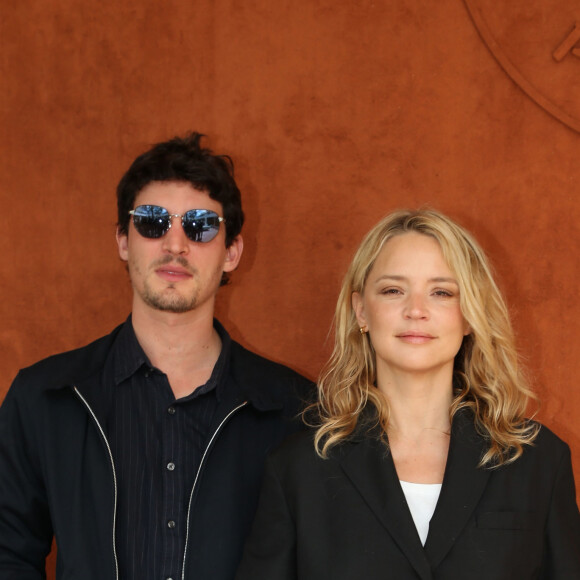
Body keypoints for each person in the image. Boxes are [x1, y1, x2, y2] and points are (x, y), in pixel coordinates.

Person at [0, 133, 312, 580]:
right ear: (124, 241)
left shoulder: (296, 411)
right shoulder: (45, 399)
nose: (175, 244)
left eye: (200, 225)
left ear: (232, 252)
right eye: (152, 221)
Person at [236, 209, 580, 580]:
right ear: (361, 311)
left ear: (469, 316)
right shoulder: (297, 469)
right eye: (393, 290)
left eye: (441, 292)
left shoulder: (539, 461)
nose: (416, 310)